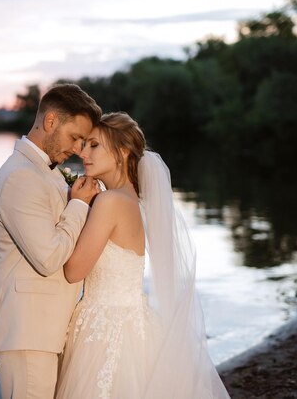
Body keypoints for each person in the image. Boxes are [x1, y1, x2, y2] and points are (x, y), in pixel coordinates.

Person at [56, 112, 231, 399]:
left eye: (94, 145)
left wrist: (75, 205)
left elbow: (74, 271)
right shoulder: (132, 202)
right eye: (84, 145)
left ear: (122, 152)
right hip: (134, 323)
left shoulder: (109, 202)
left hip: (104, 330)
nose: (83, 153)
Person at [0, 84, 103, 399]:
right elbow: (48, 258)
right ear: (50, 122)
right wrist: (79, 205)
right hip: (26, 334)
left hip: (44, 331)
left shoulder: (48, 172)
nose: (78, 148)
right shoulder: (20, 177)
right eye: (75, 137)